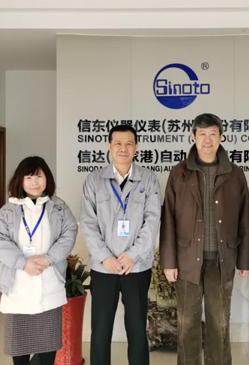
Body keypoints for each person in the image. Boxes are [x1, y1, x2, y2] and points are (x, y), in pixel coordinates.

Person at [160, 113, 249, 365]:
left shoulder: (234, 173)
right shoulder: (179, 173)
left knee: (219, 322)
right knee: (187, 323)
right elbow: (168, 219)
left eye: (213, 134)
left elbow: (245, 219)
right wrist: (169, 262)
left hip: (222, 260)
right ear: (193, 136)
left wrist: (245, 261)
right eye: (202, 134)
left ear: (221, 137)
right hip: (187, 260)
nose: (207, 139)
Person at [80, 124, 161, 365]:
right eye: (118, 143)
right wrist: (105, 257)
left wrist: (133, 255)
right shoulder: (94, 180)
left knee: (137, 329)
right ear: (109, 146)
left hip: (136, 266)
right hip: (104, 267)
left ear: (136, 147)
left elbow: (152, 221)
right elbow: (88, 223)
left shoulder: (148, 179)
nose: (123, 148)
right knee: (101, 329)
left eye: (128, 144)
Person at [0, 156, 78, 365]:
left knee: (48, 342)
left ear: (47, 179)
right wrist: (23, 263)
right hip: (18, 284)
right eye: (28, 177)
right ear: (20, 181)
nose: (34, 182)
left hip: (49, 281)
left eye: (39, 176)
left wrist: (49, 259)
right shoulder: (8, 210)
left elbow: (69, 233)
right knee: (18, 343)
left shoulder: (59, 207)